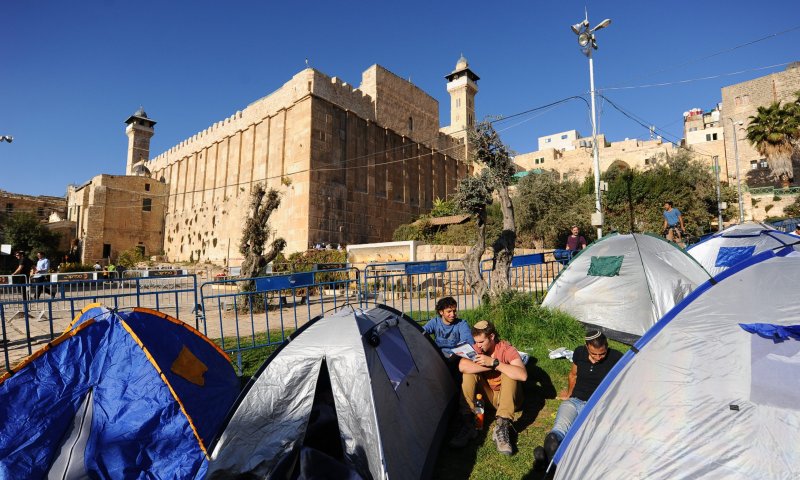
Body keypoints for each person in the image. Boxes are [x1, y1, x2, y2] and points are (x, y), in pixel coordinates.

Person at [533, 330, 623, 470]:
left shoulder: (617, 357)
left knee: (580, 436)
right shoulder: (579, 353)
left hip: (595, 406)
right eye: (594, 353)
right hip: (574, 402)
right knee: (557, 432)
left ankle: (548, 462)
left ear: (607, 345)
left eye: (602, 353)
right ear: (587, 347)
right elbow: (573, 375)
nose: (598, 357)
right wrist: (569, 395)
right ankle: (553, 462)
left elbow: (622, 383)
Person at [451, 320, 528, 455]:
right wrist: (488, 365)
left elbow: (522, 375)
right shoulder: (476, 348)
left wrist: (495, 363)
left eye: (481, 342)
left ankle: (502, 425)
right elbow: (462, 366)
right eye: (476, 342)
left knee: (509, 373)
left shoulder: (506, 350)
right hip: (489, 397)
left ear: (491, 337)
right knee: (469, 373)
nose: (478, 346)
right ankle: (467, 422)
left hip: (510, 399)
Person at [422, 297, 472, 361]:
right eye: (449, 311)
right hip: (439, 356)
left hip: (456, 357)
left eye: (454, 311)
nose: (453, 314)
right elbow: (421, 332)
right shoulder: (435, 322)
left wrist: (455, 355)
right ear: (441, 312)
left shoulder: (461, 324)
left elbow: (467, 341)